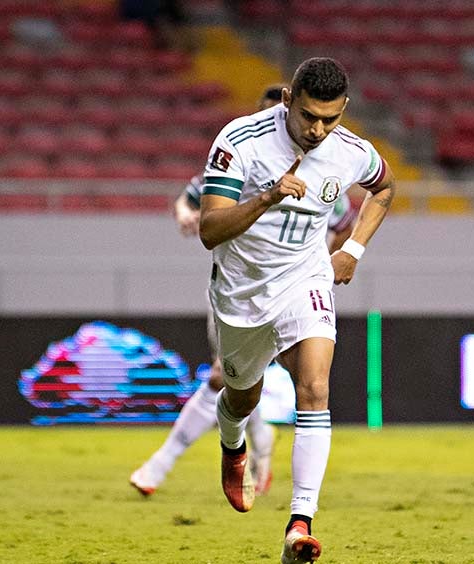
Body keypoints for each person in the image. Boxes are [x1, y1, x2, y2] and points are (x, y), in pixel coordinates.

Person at [199, 58, 394, 564]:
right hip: (242, 294)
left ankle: (299, 524)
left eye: (330, 119)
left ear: (343, 110)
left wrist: (353, 249)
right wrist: (266, 197)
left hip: (305, 278)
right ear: (288, 100)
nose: (318, 129)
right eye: (308, 116)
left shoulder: (351, 151)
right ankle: (232, 442)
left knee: (315, 385)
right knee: (242, 396)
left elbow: (384, 188)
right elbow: (209, 230)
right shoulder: (239, 141)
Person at [128, 84, 358, 500]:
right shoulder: (240, 157)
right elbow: (189, 199)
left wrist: (329, 259)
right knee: (232, 384)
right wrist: (186, 216)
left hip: (297, 291)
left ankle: (162, 466)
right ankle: (251, 451)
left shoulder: (328, 174)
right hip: (239, 290)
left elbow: (344, 224)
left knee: (301, 382)